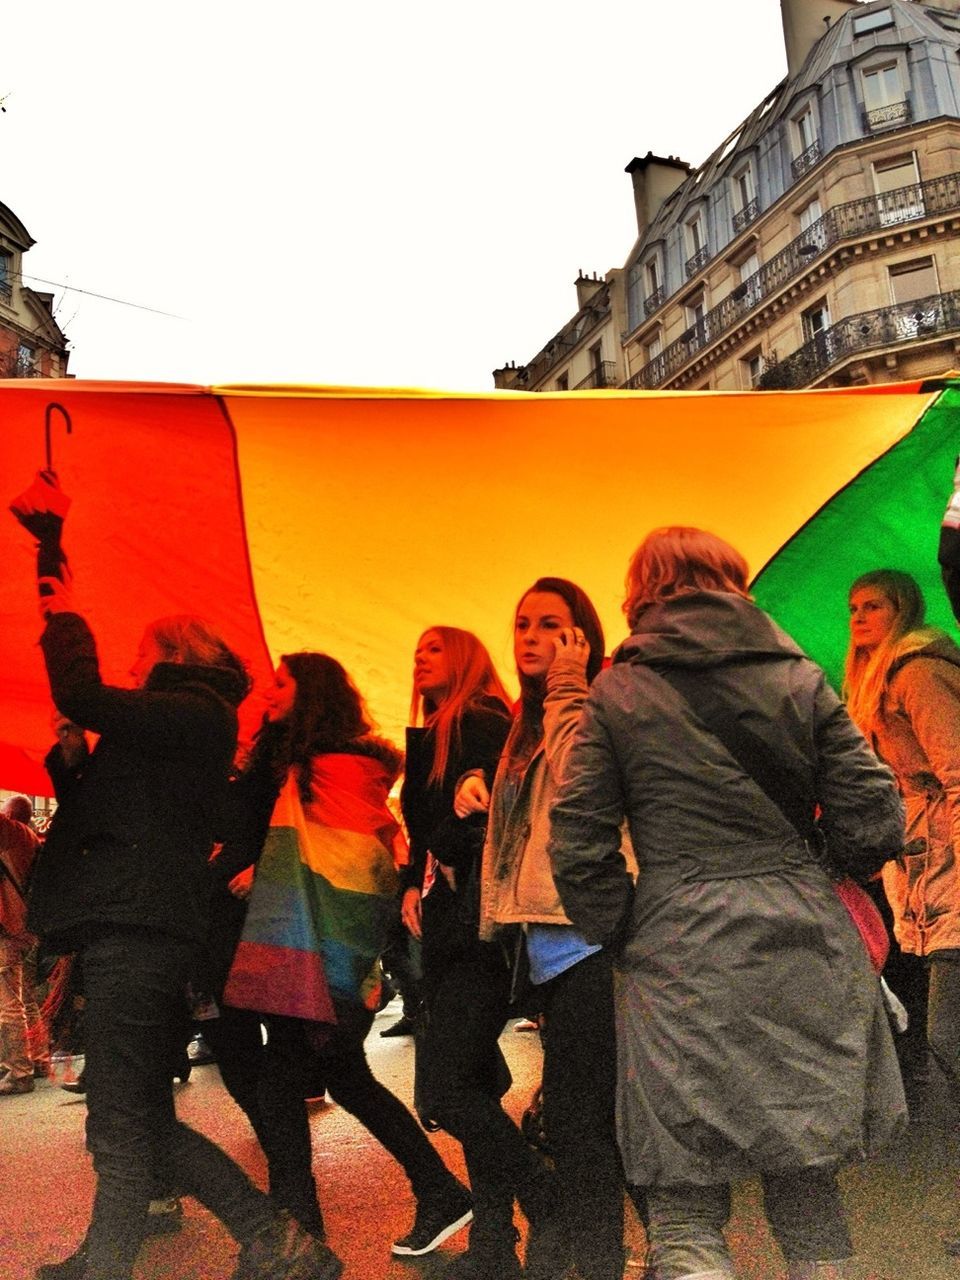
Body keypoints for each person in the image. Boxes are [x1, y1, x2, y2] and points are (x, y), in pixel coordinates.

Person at [548, 528, 908, 1280]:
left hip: (677, 948)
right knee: (803, 1164)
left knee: (683, 1185)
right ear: (734, 584)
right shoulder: (800, 678)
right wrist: (819, 868)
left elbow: (578, 838)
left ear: (642, 593)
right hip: (802, 934)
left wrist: (621, 927)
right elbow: (875, 811)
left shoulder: (616, 692)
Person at [13, 473, 341, 1280]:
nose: (131, 668)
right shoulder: (177, 728)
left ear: (175, 656)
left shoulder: (195, 711)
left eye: (141, 655)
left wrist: (60, 594)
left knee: (129, 1115)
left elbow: (79, 687)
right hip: (133, 925)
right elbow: (118, 811)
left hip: (140, 931)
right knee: (127, 1113)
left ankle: (270, 1239)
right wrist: (72, 760)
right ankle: (113, 1255)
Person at [221, 652, 472, 1260]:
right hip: (301, 945)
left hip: (321, 950)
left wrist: (270, 871)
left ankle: (301, 1236)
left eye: (281, 684)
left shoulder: (339, 769)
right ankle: (430, 1192)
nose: (269, 693)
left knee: (287, 1084)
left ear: (310, 693)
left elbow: (358, 863)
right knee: (343, 1079)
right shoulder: (290, 763)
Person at [453, 578, 629, 1280]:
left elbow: (584, 780)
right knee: (580, 1122)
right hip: (548, 942)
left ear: (582, 636)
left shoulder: (594, 699)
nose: (530, 636)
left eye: (550, 624)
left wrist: (568, 681)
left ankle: (606, 1262)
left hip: (589, 937)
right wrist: (477, 788)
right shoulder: (527, 720)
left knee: (585, 1125)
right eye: (523, 623)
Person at [397, 626, 513, 1268]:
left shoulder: (481, 720)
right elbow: (430, 830)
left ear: (466, 659)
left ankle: (547, 1199)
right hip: (449, 919)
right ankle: (494, 1242)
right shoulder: (438, 731)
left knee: (448, 1090)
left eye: (434, 648)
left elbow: (492, 813)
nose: (420, 658)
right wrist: (411, 883)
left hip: (476, 926)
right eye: (417, 650)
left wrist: (443, 847)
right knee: (469, 1084)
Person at [844, 574, 960, 1114]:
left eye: (873, 606)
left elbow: (956, 771)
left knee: (946, 1029)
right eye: (853, 608)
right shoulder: (874, 683)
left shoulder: (917, 673)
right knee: (932, 1023)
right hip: (918, 857)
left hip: (947, 854)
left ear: (902, 610)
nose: (859, 618)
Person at [0, 794, 43, 1095]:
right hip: (26, 927)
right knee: (26, 998)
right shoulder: (30, 838)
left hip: (8, 927)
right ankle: (37, 1059)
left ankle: (18, 1071)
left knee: (7, 1001)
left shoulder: (13, 833)